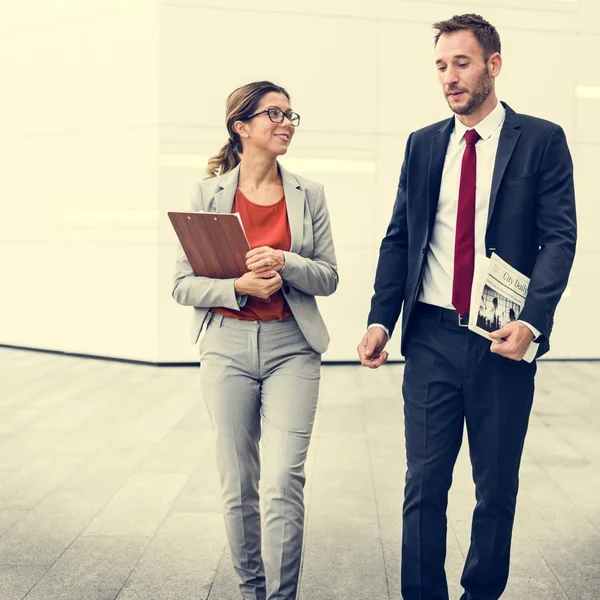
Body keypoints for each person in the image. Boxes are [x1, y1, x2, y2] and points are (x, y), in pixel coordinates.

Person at [357, 14, 576, 600]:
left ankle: (482, 592)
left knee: (496, 485)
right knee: (423, 484)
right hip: (430, 334)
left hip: (500, 339)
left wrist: (532, 321)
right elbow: (401, 236)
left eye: (461, 63)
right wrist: (382, 319)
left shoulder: (542, 139)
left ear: (493, 65)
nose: (449, 77)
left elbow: (559, 239)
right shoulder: (424, 144)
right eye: (440, 65)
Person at [172, 81, 338, 600]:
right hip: (226, 346)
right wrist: (236, 287)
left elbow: (329, 276)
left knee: (284, 479)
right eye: (274, 113)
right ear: (242, 127)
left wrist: (286, 262)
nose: (286, 122)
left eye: (291, 114)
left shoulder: (309, 193)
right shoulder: (208, 194)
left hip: (293, 345)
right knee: (238, 483)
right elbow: (182, 284)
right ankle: (252, 591)